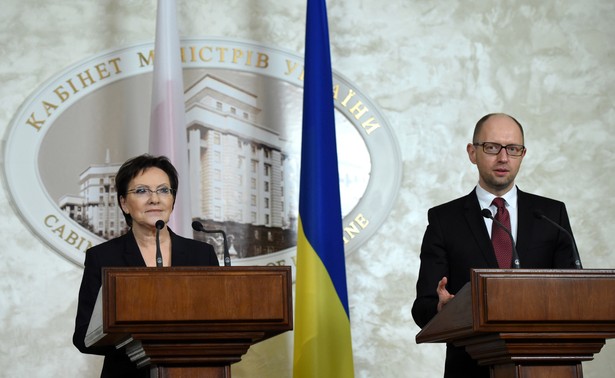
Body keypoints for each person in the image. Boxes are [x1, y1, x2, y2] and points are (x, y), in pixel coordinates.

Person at [411, 113, 579, 378]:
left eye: (513, 149)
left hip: (543, 366)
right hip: (470, 368)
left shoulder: (551, 214)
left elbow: (574, 294)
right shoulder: (445, 220)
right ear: (472, 152)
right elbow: (422, 307)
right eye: (492, 147)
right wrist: (442, 310)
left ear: (522, 154)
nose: (503, 158)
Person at [73, 154, 220, 378]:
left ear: (173, 200)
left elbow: (220, 322)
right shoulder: (102, 257)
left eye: (163, 190)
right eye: (141, 191)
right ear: (124, 203)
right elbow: (83, 336)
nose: (154, 199)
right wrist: (141, 340)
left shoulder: (201, 255)